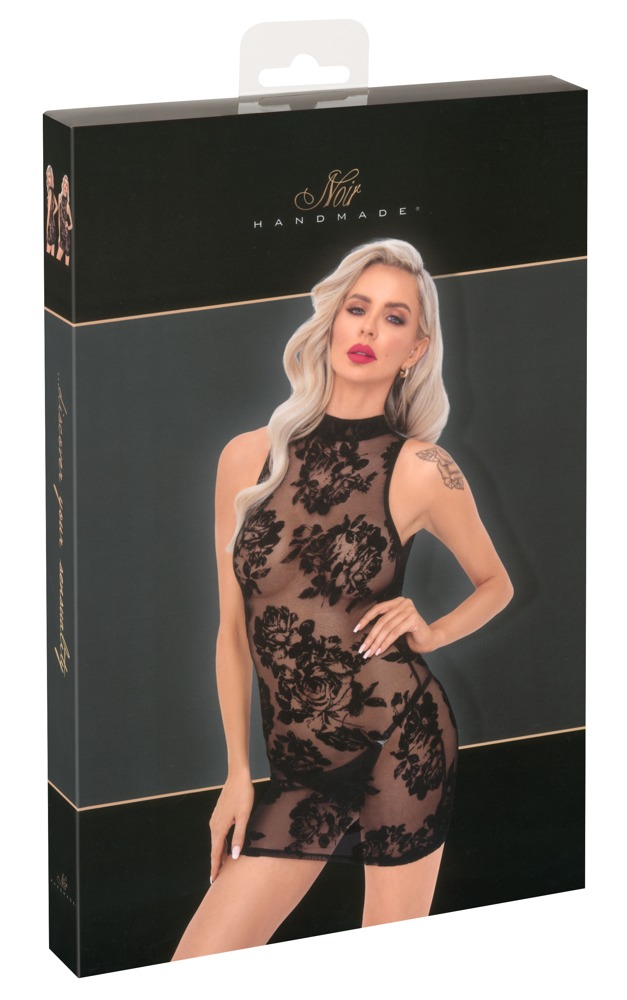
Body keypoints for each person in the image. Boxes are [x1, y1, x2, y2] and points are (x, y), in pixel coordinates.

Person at [173, 238, 513, 960]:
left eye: (394, 318)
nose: (368, 329)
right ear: (332, 319)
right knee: (195, 967)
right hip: (296, 772)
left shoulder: (422, 468)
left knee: (384, 971)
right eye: (357, 308)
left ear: (415, 349)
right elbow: (233, 633)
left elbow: (496, 584)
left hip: (401, 740)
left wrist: (431, 629)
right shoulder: (245, 458)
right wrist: (237, 774)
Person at [56, 175, 72, 266]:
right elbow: (59, 217)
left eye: (67, 185)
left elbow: (72, 225)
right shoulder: (59, 197)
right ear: (62, 185)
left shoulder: (68, 205)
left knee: (67, 265)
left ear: (68, 187)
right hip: (62, 237)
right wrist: (59, 236)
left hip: (67, 238)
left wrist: (68, 226)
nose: (66, 186)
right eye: (64, 184)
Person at [45, 165, 58, 255]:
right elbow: (57, 206)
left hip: (50, 226)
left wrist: (46, 229)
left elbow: (49, 210)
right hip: (54, 225)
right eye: (47, 177)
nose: (48, 179)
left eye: (49, 177)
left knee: (47, 252)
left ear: (52, 178)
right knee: (52, 253)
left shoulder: (50, 191)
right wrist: (53, 213)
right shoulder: (52, 191)